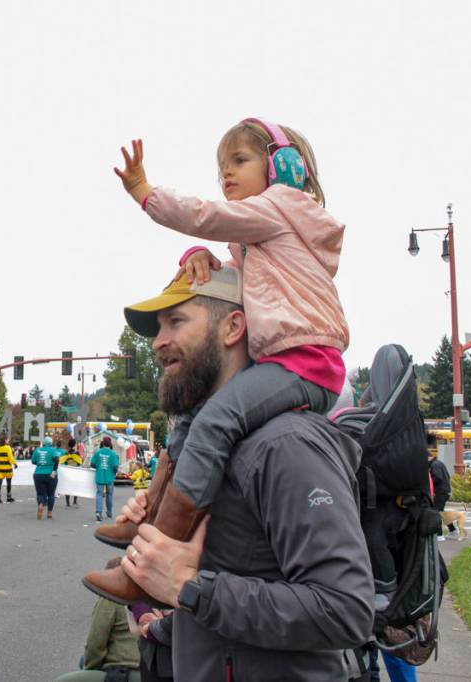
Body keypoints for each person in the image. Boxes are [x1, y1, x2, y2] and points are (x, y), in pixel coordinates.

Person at [94, 119, 348, 604]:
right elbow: (242, 280)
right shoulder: (268, 239)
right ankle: (150, 527)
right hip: (290, 359)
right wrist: (198, 256)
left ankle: (154, 556)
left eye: (239, 160)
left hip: (305, 361)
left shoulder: (279, 207)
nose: (226, 175)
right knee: (190, 423)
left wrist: (146, 193)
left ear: (283, 168)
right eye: (221, 168)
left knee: (213, 421)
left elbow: (205, 215)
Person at [84, 264, 373, 678]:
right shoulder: (212, 447)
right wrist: (165, 618)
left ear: (234, 326)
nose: (157, 342)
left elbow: (346, 610)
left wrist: (191, 588)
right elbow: (237, 581)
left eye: (176, 322)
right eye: (158, 327)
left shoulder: (286, 445)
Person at [55, 557, 141, 682]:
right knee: (83, 661)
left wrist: (90, 669)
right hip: (151, 671)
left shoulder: (110, 599)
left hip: (125, 672)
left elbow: (95, 643)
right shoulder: (148, 597)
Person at [428, 449, 456, 540]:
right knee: (441, 512)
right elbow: (447, 476)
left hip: (440, 492)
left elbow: (437, 478)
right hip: (444, 490)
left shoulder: (434, 465)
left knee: (437, 512)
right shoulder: (439, 463)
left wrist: (429, 484)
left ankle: (439, 535)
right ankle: (452, 530)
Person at [91, 437, 120, 523]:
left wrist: (99, 466)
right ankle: (109, 513)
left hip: (99, 476)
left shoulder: (97, 453)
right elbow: (115, 466)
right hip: (110, 477)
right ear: (110, 444)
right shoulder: (114, 454)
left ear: (102, 443)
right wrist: (114, 472)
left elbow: (92, 464)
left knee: (99, 494)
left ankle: (98, 512)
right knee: (109, 495)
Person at [32, 436, 60, 520]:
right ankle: (49, 513)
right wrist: (54, 470)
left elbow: (33, 461)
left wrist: (41, 463)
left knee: (40, 493)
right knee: (51, 494)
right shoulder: (53, 450)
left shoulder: (37, 450)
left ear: (43, 443)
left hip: (38, 474)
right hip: (50, 474)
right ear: (51, 443)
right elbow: (57, 459)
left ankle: (41, 504)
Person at [0, 436, 17, 504]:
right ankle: (8, 497)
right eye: (7, 440)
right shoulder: (8, 448)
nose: (8, 441)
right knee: (8, 483)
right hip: (7, 468)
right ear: (5, 440)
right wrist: (15, 463)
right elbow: (10, 458)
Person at [60, 439, 83, 508]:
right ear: (74, 445)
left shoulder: (66, 453)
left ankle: (67, 503)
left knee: (67, 487)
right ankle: (75, 502)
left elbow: (63, 462)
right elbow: (80, 462)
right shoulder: (77, 453)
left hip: (67, 471)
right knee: (76, 486)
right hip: (76, 471)